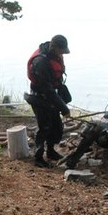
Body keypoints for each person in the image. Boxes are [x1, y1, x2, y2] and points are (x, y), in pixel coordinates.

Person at [25, 34, 72, 167]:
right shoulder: (41, 62)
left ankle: (51, 151)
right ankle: (38, 157)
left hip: (51, 95)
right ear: (54, 48)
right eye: (61, 51)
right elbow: (47, 89)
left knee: (56, 125)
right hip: (39, 97)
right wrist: (64, 108)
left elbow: (53, 86)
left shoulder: (55, 55)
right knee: (44, 127)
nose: (62, 53)